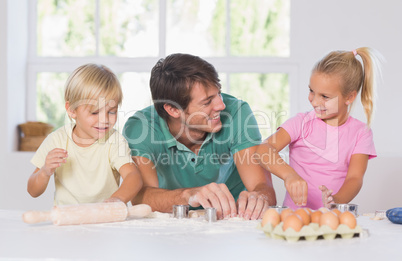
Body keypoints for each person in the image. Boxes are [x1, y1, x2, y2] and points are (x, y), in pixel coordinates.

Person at [123, 53, 276, 220]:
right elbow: (142, 198)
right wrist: (190, 195)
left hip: (235, 218)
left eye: (219, 93)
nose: (221, 105)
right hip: (175, 220)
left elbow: (263, 188)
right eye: (207, 101)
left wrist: (259, 198)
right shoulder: (141, 128)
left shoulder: (238, 114)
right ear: (173, 110)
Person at [255, 47, 382, 210]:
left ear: (349, 97)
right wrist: (289, 175)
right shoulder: (301, 123)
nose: (314, 101)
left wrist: (335, 201)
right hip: (294, 217)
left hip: (331, 218)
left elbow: (355, 178)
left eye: (325, 96)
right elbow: (263, 150)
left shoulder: (361, 133)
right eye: (311, 91)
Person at [27, 64, 143, 205]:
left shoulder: (115, 141)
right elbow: (33, 191)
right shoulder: (56, 140)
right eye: (95, 112)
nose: (105, 120)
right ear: (72, 110)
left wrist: (117, 200)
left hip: (104, 220)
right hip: (66, 220)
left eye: (111, 111)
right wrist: (45, 171)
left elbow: (133, 177)